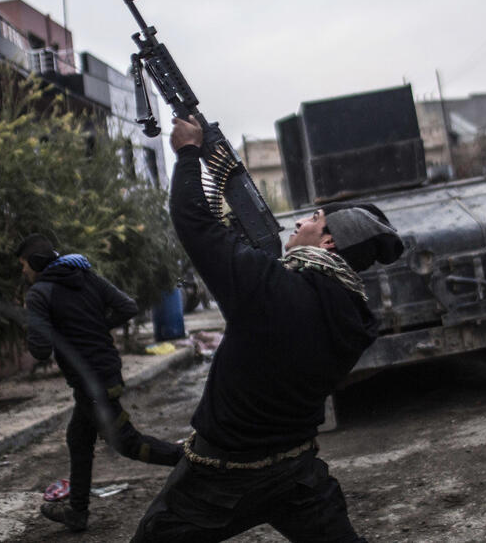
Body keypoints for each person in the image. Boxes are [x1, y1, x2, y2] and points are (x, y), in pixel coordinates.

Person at [132, 116, 404, 542]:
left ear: (328, 242)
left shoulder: (269, 289)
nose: (299, 224)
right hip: (296, 474)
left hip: (216, 481)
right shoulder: (354, 315)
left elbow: (194, 223)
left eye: (312, 219)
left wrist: (186, 152)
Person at [15, 234, 183, 532]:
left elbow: (40, 350)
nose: (23, 273)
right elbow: (127, 306)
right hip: (104, 372)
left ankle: (193, 461)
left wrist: (36, 321)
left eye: (24, 266)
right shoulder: (85, 275)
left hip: (92, 382)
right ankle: (77, 513)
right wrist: (95, 327)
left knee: (128, 444)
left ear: (38, 264)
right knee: (78, 437)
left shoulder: (39, 294)